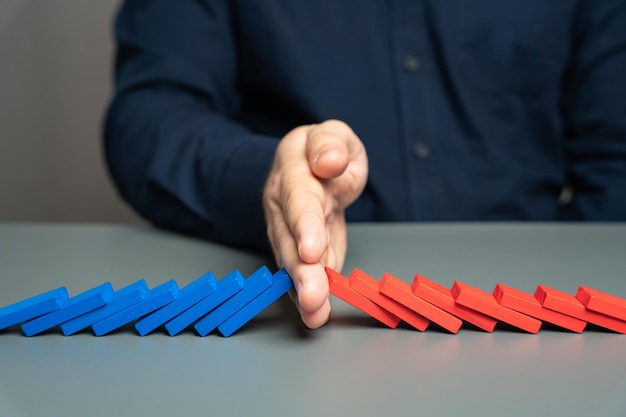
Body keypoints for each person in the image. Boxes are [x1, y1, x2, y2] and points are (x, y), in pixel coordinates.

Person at [104, 1, 626, 329]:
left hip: (543, 321)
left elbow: (615, 159)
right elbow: (150, 112)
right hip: (299, 303)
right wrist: (266, 176)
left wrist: (575, 315)